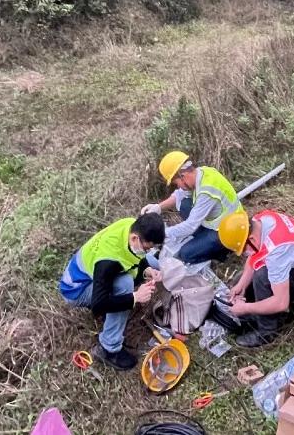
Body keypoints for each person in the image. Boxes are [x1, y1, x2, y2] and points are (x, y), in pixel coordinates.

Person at [58, 213, 165, 370]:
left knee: (154, 263)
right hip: (76, 291)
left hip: (96, 274)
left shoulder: (131, 225)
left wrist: (146, 270)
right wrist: (135, 297)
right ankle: (109, 348)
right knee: (125, 284)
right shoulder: (108, 262)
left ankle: (143, 275)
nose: (147, 251)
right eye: (147, 248)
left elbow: (132, 257)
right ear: (135, 238)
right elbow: (99, 305)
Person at [218, 210, 294, 347]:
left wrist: (245, 308)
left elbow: (281, 302)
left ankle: (266, 332)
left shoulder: (278, 251)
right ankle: (256, 308)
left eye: (243, 250)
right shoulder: (258, 221)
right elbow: (255, 255)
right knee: (241, 279)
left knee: (261, 277)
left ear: (251, 239)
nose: (244, 254)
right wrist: (241, 284)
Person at [141, 151, 245, 265]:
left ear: (182, 176)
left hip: (230, 231)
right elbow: (179, 195)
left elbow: (190, 226)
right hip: (219, 223)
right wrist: (158, 207)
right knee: (185, 204)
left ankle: (222, 253)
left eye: (176, 183)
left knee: (185, 254)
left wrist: (162, 234)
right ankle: (202, 242)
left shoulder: (207, 191)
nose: (178, 187)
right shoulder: (201, 173)